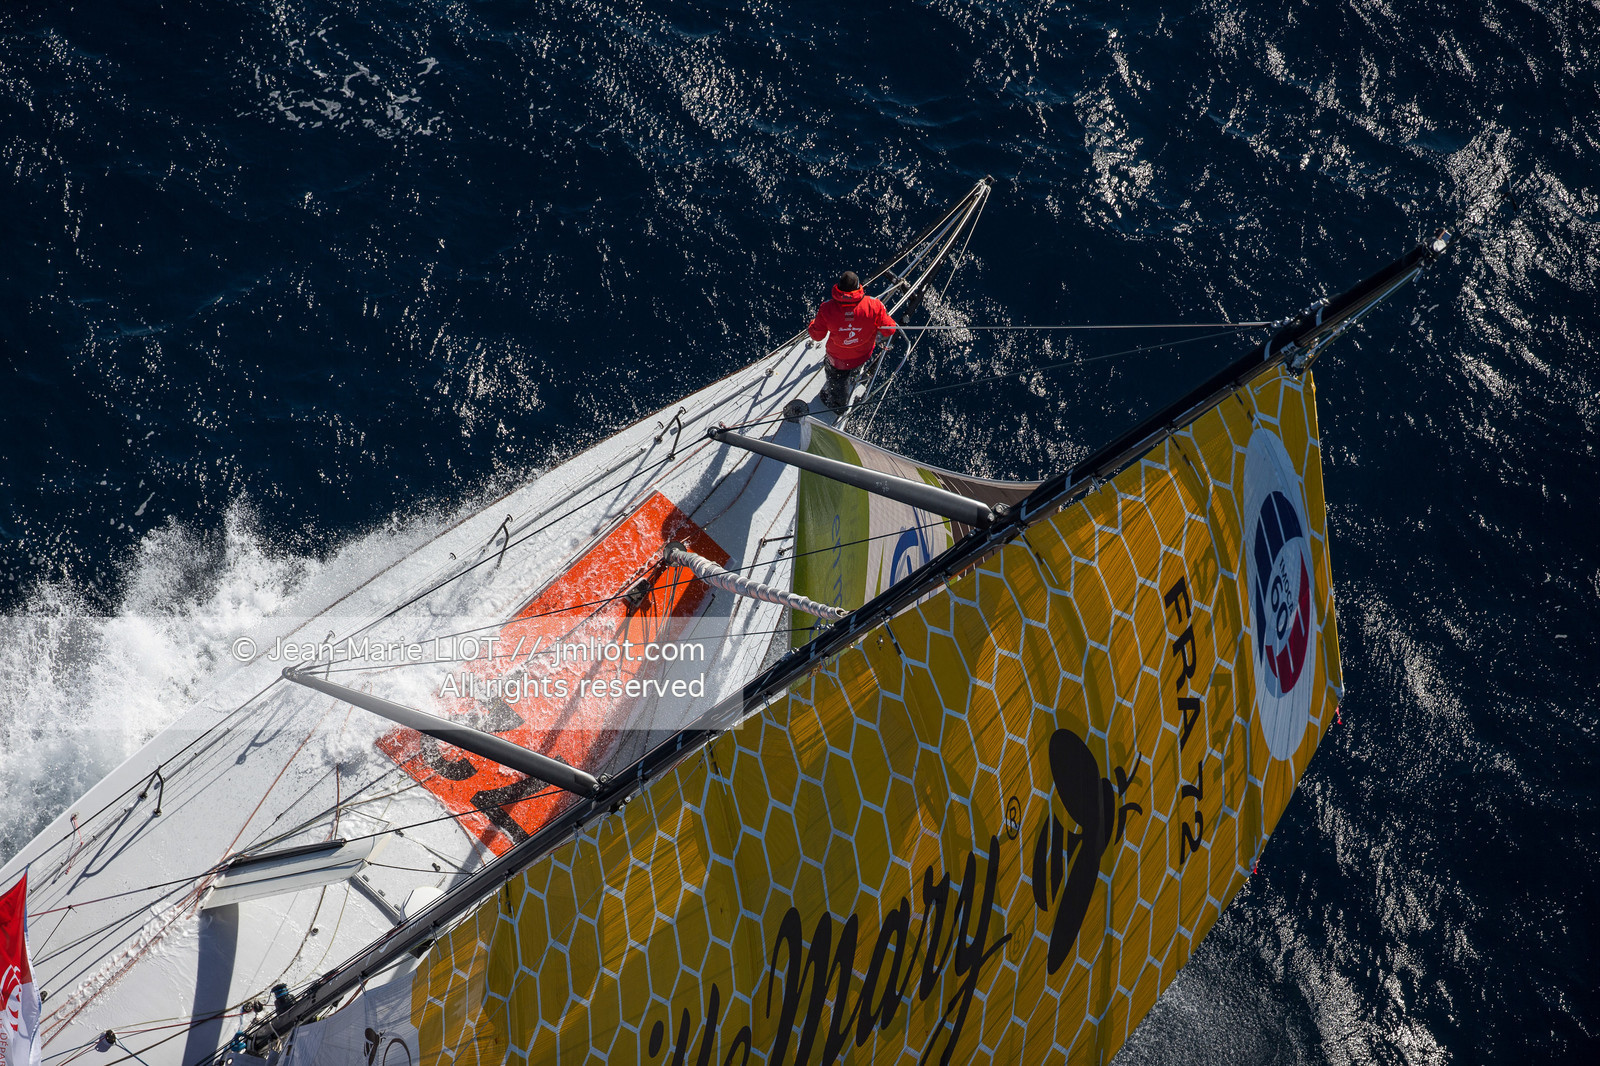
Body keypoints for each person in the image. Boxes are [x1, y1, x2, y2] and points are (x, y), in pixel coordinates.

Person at [807, 270, 897, 412]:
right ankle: (852, 377)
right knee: (852, 370)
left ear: (838, 287)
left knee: (836, 380)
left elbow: (817, 336)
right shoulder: (874, 305)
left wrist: (813, 324)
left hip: (837, 359)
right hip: (862, 354)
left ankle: (838, 407)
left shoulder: (827, 308)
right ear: (858, 287)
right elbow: (890, 329)